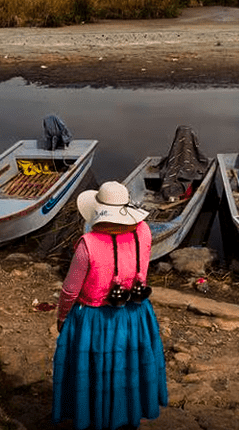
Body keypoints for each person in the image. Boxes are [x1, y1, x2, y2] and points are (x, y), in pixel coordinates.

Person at [53, 181, 167, 430]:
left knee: (96, 369)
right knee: (129, 366)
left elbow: (70, 290)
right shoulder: (144, 231)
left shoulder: (88, 244)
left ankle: (96, 416)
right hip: (136, 313)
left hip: (96, 319)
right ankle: (125, 414)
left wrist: (62, 317)